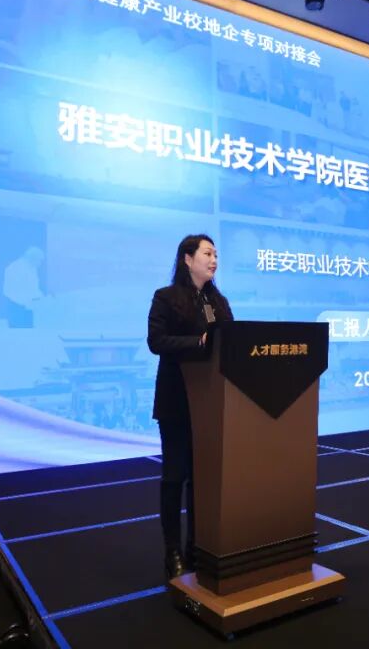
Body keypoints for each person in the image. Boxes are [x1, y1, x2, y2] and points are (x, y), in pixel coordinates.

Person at [147, 234, 233, 580]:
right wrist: (198, 341)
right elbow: (156, 341)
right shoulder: (166, 297)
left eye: (216, 255)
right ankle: (172, 552)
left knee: (201, 479)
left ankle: (197, 545)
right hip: (176, 400)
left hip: (210, 402)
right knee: (174, 476)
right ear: (187, 259)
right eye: (207, 253)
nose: (214, 260)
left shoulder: (218, 301)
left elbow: (231, 341)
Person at [2, 247, 45, 328]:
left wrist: (42, 298)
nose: (40, 264)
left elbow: (34, 287)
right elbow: (11, 291)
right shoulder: (15, 268)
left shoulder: (32, 267)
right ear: (33, 258)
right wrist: (30, 300)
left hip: (28, 306)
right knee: (18, 331)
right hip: (17, 307)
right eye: (40, 260)